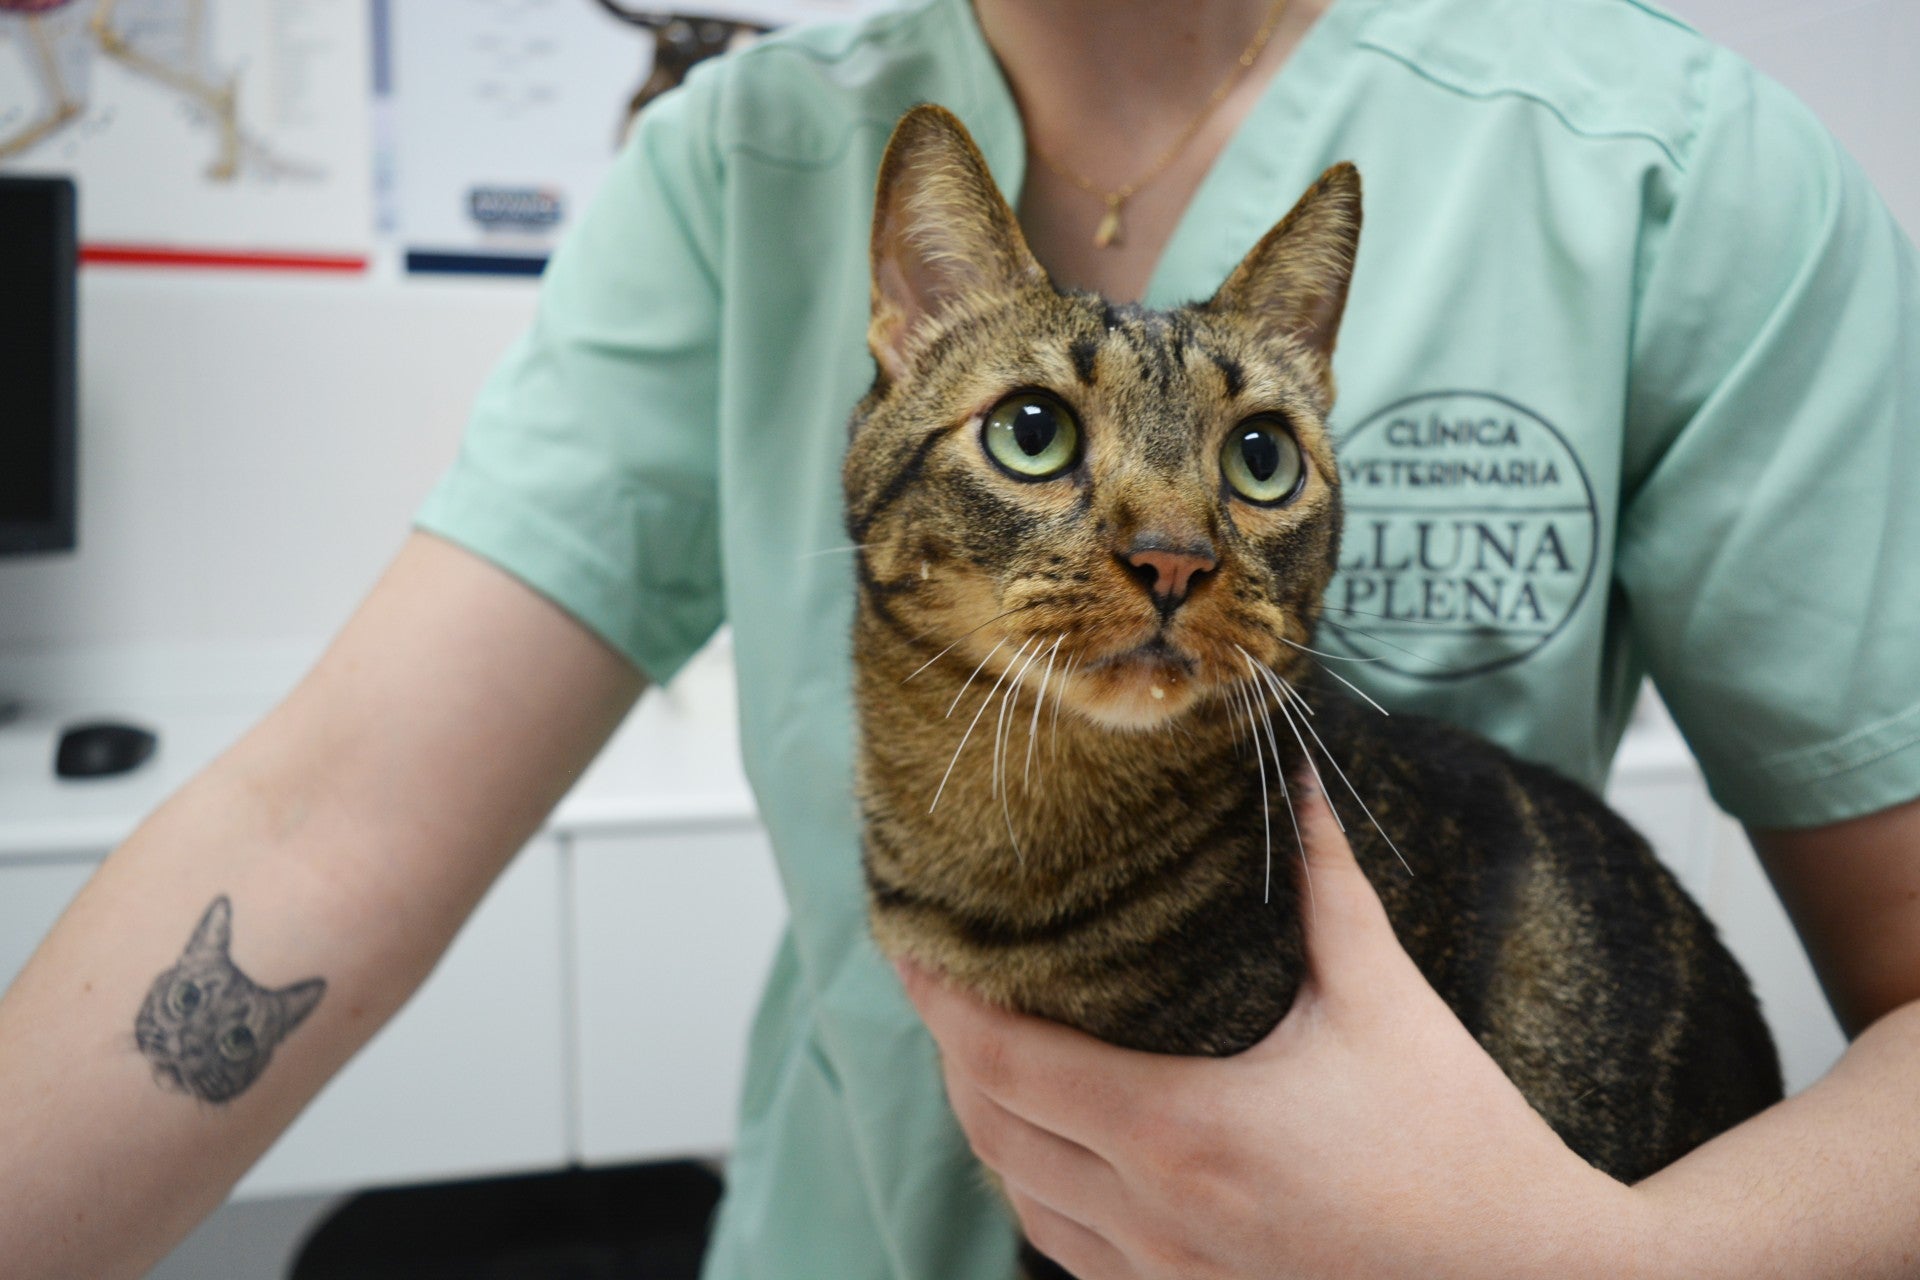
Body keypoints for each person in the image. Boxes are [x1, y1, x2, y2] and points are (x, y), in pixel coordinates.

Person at [2, 0, 1916, 1276]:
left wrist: (1585, 1269)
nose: (1165, 546)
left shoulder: (1667, 168)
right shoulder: (742, 158)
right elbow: (320, 827)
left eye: (1245, 461)